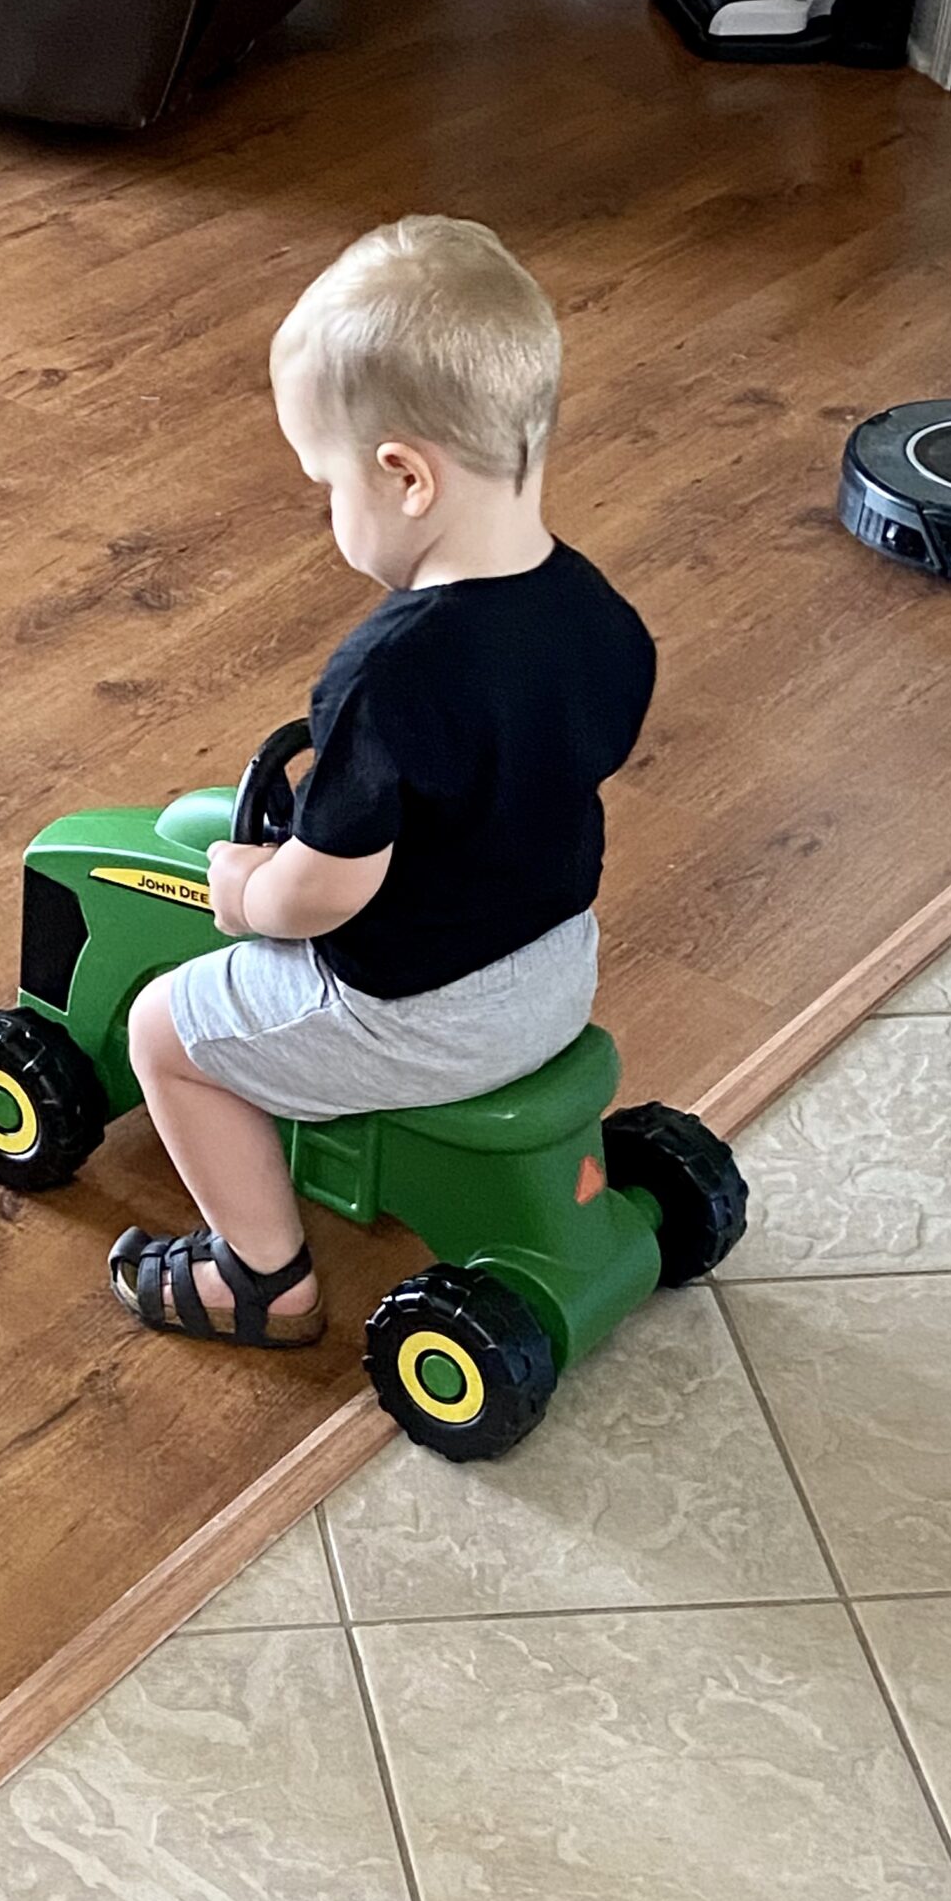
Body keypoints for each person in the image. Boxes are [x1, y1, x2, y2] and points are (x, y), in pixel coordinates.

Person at [109, 215, 656, 1350]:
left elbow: (325, 897)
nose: (329, 510)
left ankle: (258, 1278)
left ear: (404, 474)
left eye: (327, 482)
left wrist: (246, 890)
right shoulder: (599, 615)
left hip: (418, 1008)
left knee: (165, 1028)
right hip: (556, 968)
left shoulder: (392, 675)